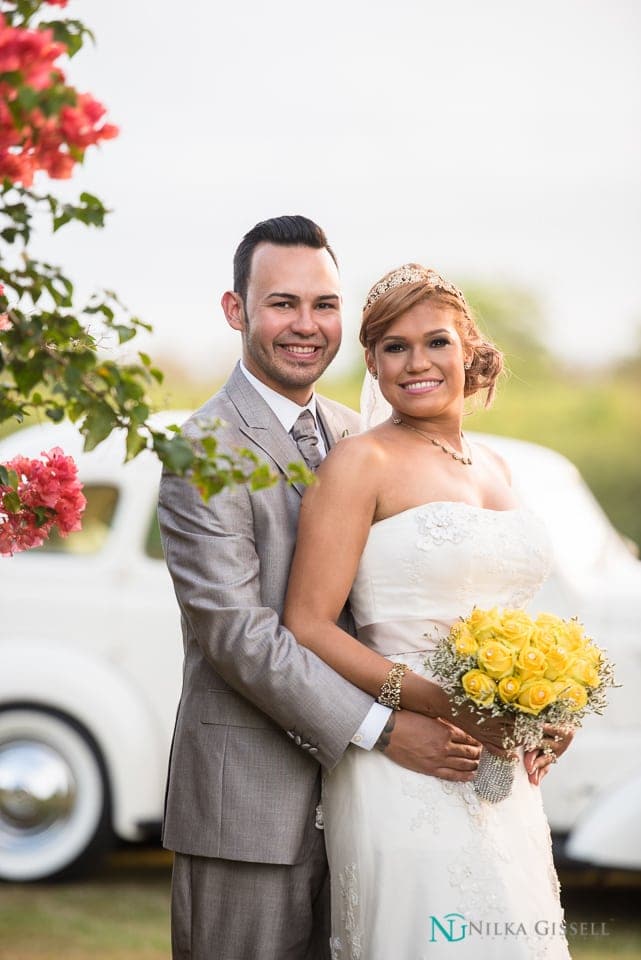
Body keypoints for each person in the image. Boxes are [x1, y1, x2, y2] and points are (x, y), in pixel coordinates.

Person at [158, 220, 505, 960]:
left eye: (324, 304)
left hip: (378, 807)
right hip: (249, 805)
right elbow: (236, 635)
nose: (306, 326)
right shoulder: (201, 447)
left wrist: (517, 711)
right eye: (282, 303)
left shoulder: (362, 434)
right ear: (235, 310)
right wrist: (381, 728)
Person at [284, 263, 572, 959]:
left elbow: (516, 619)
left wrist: (546, 709)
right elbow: (307, 623)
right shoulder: (360, 463)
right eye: (393, 347)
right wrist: (433, 703)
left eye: (435, 341)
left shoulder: (497, 468)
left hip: (501, 768)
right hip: (403, 757)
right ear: (373, 368)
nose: (416, 363)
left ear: (469, 349)